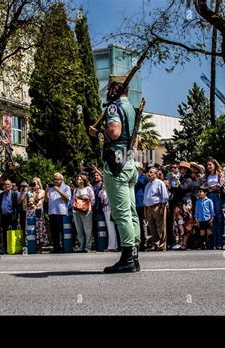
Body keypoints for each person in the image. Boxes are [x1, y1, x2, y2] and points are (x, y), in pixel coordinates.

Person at [89, 74, 140, 273]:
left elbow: (115, 131)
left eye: (109, 89)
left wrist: (98, 132)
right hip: (129, 161)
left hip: (115, 163)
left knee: (121, 212)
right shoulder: (131, 109)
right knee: (131, 211)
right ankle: (134, 255)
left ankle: (127, 256)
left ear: (114, 89)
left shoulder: (113, 107)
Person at [202, 159, 225, 249]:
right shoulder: (207, 176)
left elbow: (220, 184)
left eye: (210, 164)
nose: (209, 166)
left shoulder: (220, 174)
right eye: (207, 165)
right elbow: (203, 186)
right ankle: (214, 243)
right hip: (209, 196)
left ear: (215, 165)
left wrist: (210, 187)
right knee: (212, 220)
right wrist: (210, 188)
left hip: (217, 196)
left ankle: (221, 242)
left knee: (219, 219)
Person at [143, 167, 169, 251]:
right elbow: (146, 198)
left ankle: (162, 245)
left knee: (160, 226)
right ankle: (156, 243)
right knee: (152, 227)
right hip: (149, 208)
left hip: (157, 206)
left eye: (151, 172)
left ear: (156, 174)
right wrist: (145, 211)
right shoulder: (147, 185)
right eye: (148, 172)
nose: (149, 174)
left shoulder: (160, 183)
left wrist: (162, 207)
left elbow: (164, 196)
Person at [46, 172, 71, 253]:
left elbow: (67, 198)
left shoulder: (66, 187)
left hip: (61, 213)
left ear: (62, 180)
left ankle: (65, 247)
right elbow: (46, 200)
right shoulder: (51, 188)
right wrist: (46, 191)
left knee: (63, 231)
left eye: (57, 179)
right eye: (54, 179)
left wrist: (59, 190)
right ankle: (56, 247)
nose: (55, 181)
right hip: (52, 212)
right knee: (54, 232)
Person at [72, 174, 95, 253]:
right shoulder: (76, 189)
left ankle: (88, 247)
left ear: (84, 180)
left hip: (86, 211)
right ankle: (81, 246)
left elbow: (93, 199)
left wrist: (88, 207)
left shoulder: (88, 188)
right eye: (78, 179)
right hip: (76, 211)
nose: (78, 180)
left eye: (80, 179)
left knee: (87, 229)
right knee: (79, 230)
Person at [0, 179, 20, 253]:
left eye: (8, 184)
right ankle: (6, 248)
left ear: (11, 186)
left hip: (12, 216)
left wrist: (17, 216)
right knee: (5, 233)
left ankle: (15, 247)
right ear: (3, 186)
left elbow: (17, 205)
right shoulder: (0, 195)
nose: (7, 186)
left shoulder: (15, 194)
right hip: (4, 216)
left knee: (14, 231)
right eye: (5, 184)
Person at [27, 178, 48, 253]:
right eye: (32, 183)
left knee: (39, 229)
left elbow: (37, 198)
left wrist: (35, 192)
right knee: (31, 229)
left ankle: (40, 246)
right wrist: (30, 192)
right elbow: (29, 201)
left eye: (35, 183)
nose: (33, 185)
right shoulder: (29, 192)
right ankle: (32, 245)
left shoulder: (42, 191)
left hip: (38, 211)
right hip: (31, 211)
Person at [135, 163, 150, 250]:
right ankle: (138, 241)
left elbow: (141, 182)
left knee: (142, 223)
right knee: (136, 223)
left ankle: (144, 242)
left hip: (141, 203)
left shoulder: (143, 177)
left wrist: (136, 175)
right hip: (134, 203)